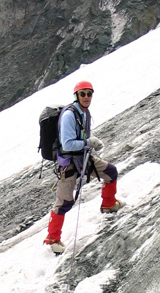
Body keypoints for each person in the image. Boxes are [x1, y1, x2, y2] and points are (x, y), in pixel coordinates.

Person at [44, 80, 124, 253]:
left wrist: (89, 142)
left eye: (89, 93)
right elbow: (67, 144)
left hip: (82, 157)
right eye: (83, 93)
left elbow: (78, 136)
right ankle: (52, 239)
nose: (86, 97)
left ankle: (108, 204)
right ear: (76, 96)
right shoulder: (69, 115)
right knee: (64, 202)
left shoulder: (82, 112)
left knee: (110, 172)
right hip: (69, 163)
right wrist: (89, 142)